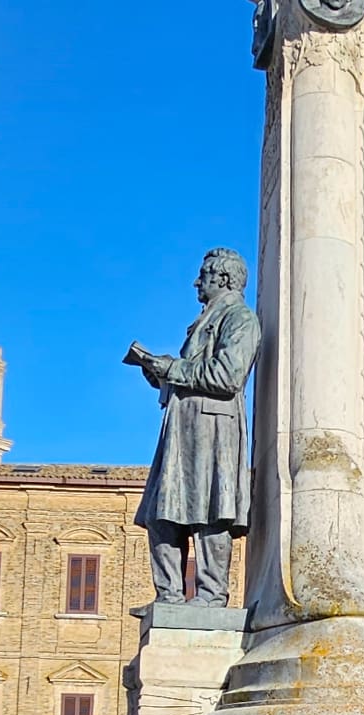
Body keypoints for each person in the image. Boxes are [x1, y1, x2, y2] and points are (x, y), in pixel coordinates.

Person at [130, 248, 261, 608]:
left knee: (209, 512)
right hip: (182, 428)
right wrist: (158, 373)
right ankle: (169, 595)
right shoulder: (206, 320)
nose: (196, 281)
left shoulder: (240, 319)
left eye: (203, 275)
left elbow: (228, 375)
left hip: (212, 429)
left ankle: (210, 595)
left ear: (222, 278)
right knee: (161, 514)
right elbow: (195, 373)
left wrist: (172, 368)